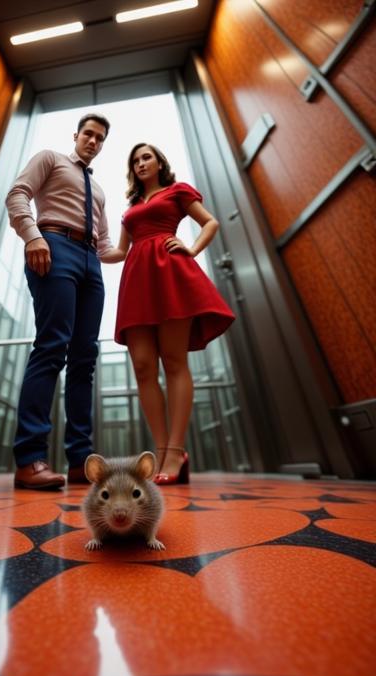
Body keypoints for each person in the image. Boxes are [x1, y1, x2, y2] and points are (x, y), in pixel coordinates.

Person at [100, 143, 235, 485]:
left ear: (160, 162)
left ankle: (175, 452)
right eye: (135, 160)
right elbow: (119, 250)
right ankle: (161, 451)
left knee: (174, 362)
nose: (141, 163)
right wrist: (90, 247)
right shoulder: (131, 207)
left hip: (171, 273)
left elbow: (211, 222)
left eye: (147, 157)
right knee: (144, 366)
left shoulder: (177, 191)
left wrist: (191, 248)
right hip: (136, 281)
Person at [6, 113, 121, 490]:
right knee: (52, 346)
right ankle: (30, 458)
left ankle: (80, 461)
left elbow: (105, 247)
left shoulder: (100, 191)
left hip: (91, 262)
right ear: (76, 135)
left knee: (85, 357)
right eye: (88, 133)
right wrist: (32, 236)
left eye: (100, 138)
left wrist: (138, 242)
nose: (93, 141)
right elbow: (17, 194)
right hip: (53, 245)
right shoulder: (51, 159)